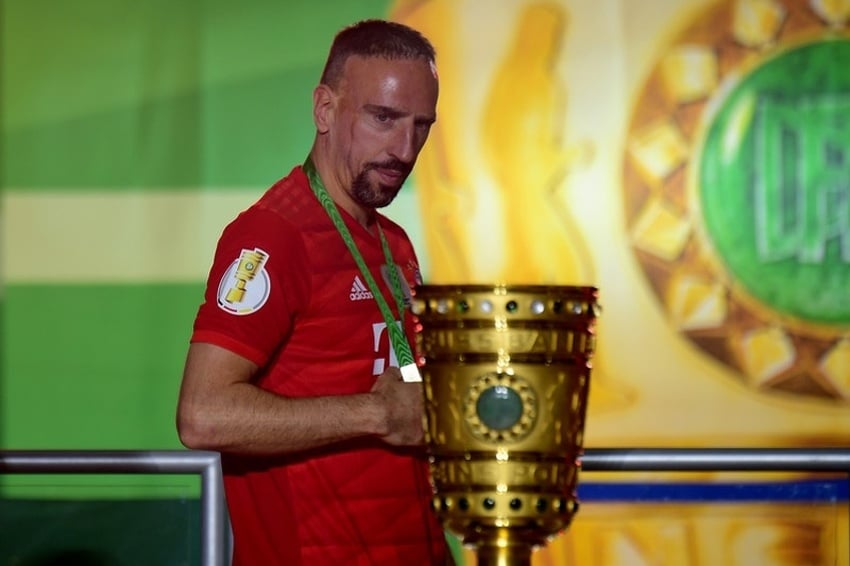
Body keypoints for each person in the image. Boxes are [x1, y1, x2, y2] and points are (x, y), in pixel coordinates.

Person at [176, 19, 450, 566]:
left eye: (421, 126)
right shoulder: (273, 235)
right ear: (324, 109)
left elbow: (404, 404)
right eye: (383, 118)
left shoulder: (393, 242)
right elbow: (202, 415)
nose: (404, 148)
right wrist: (373, 415)